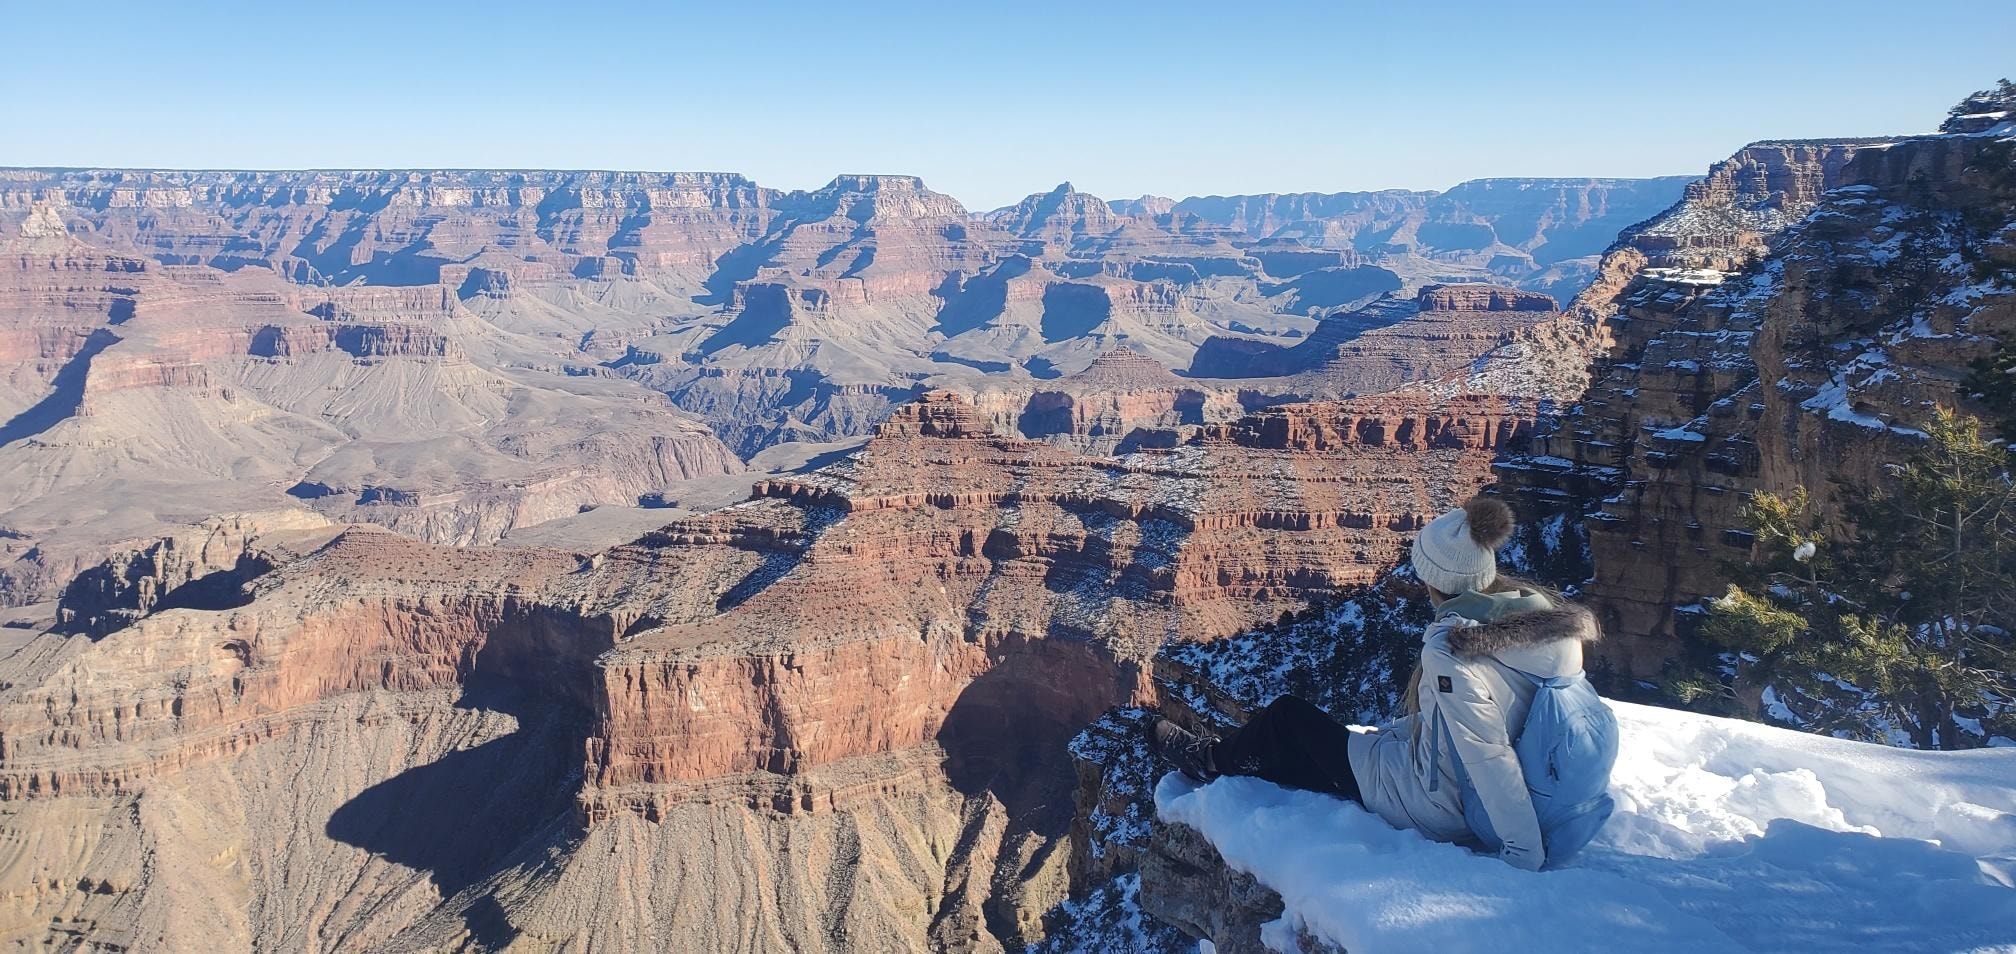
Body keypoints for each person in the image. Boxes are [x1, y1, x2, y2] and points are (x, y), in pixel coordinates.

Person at [1150, 495, 1602, 871]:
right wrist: (1400, 732)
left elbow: (1489, 756)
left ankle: (1207, 760)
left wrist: (1523, 855)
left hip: (1430, 804)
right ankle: (1238, 760)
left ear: (1434, 579)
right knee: (1310, 750)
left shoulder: (1454, 653)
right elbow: (1490, 718)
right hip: (1450, 781)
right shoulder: (1538, 625)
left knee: (1288, 718)